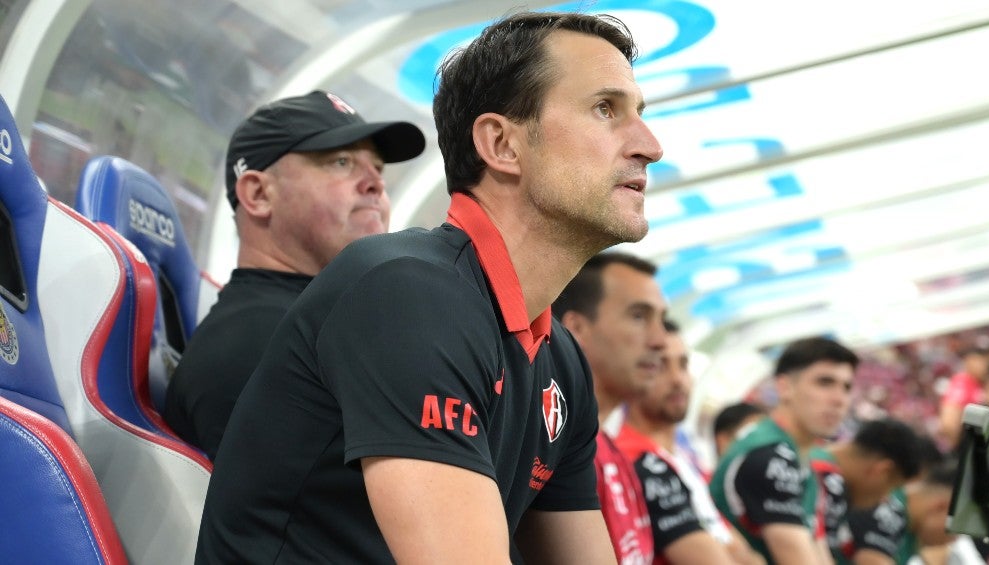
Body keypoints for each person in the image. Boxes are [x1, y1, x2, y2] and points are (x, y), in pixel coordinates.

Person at [197, 11, 663, 564]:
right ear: (501, 144)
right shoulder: (405, 295)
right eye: (605, 109)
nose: (650, 145)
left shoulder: (559, 357)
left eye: (640, 113)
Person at [162, 90, 425, 459]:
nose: (376, 184)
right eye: (341, 162)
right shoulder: (258, 347)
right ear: (258, 194)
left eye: (378, 169)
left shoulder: (316, 327)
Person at [614, 319, 764, 565]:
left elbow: (738, 548)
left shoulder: (685, 461)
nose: (677, 379)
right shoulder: (631, 459)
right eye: (660, 365)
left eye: (683, 364)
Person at [552, 251, 668, 564]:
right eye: (638, 316)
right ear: (577, 328)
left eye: (662, 320)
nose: (660, 341)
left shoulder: (611, 448)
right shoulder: (554, 450)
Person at [710, 336, 859, 565]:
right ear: (784, 387)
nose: (839, 399)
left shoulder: (799, 456)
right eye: (825, 383)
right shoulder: (770, 456)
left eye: (846, 387)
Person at [808, 418, 922, 564]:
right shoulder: (828, 481)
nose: (885, 498)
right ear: (882, 470)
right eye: (891, 487)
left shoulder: (816, 459)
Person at [937, 343, 989, 451]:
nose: (987, 364)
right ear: (970, 361)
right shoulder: (963, 382)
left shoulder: (981, 382)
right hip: (969, 447)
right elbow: (949, 423)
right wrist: (961, 450)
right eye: (982, 359)